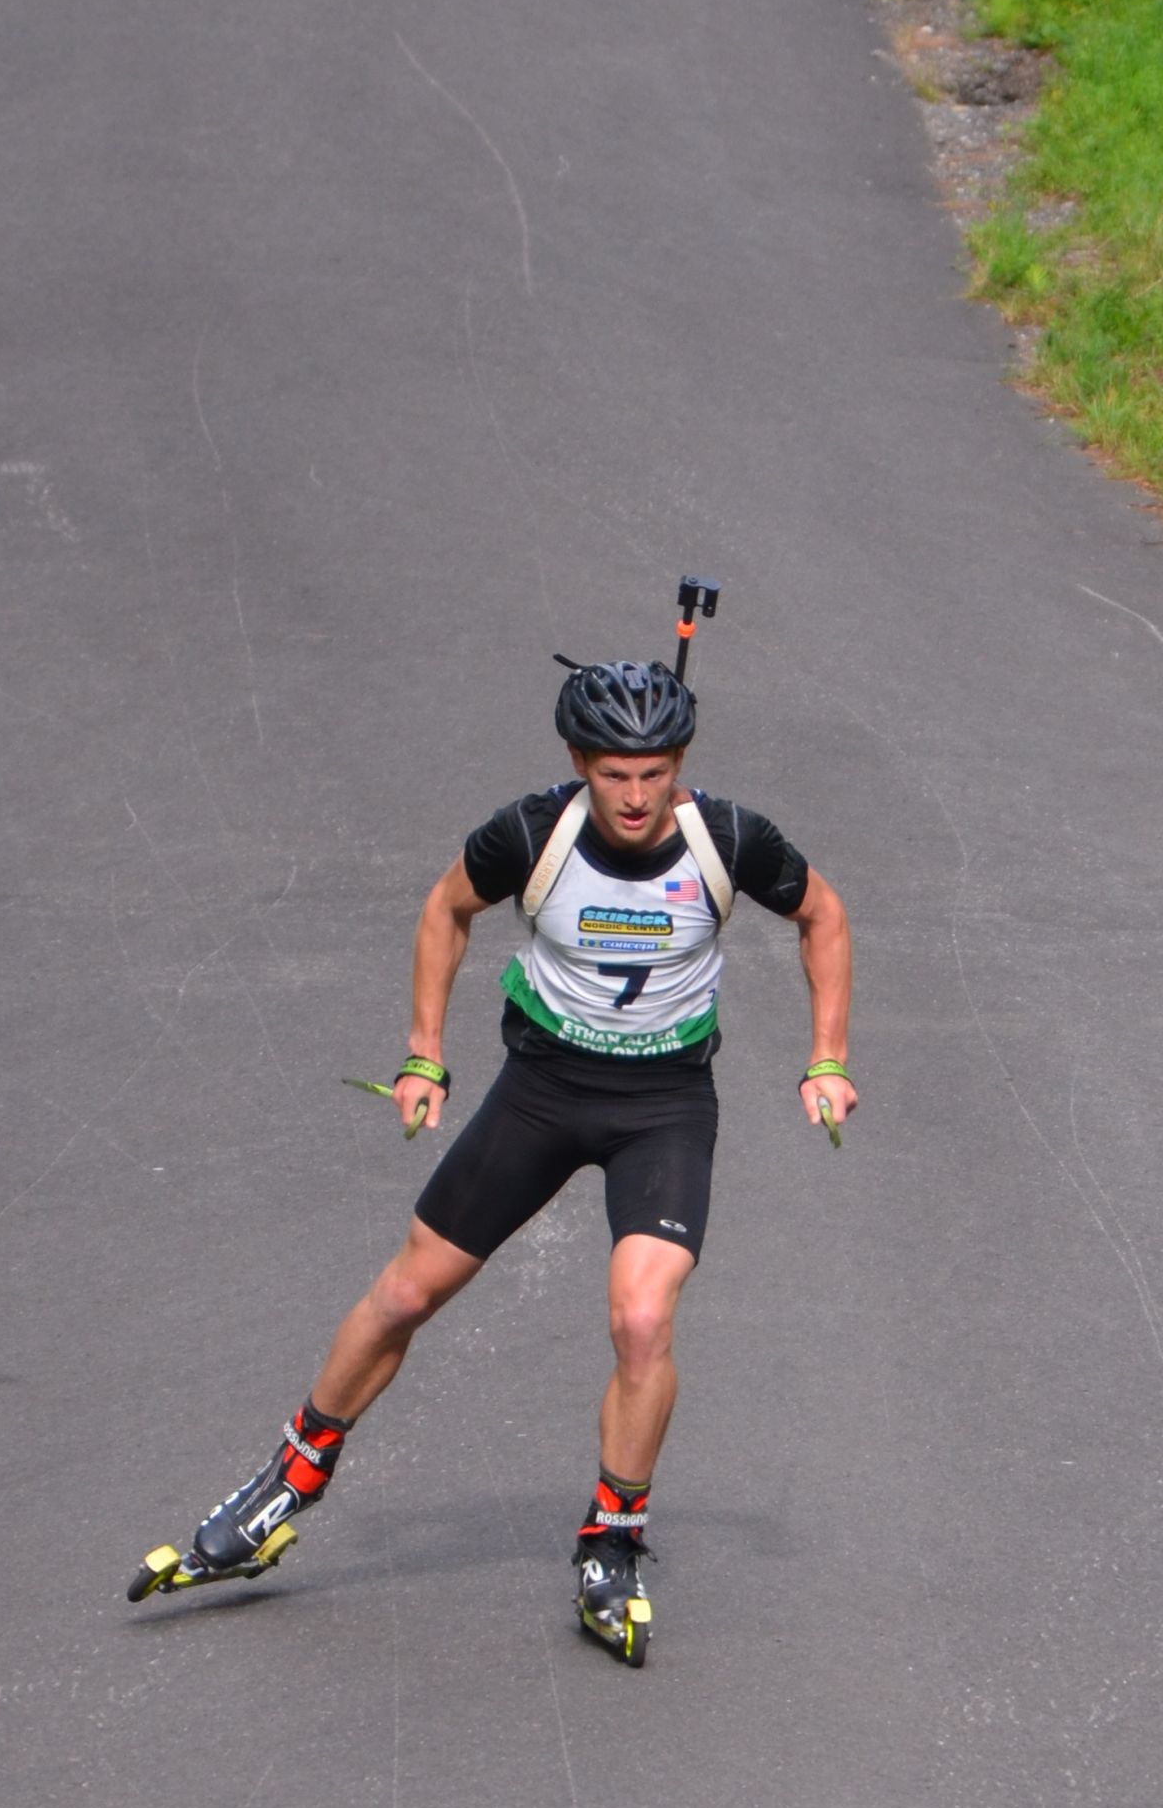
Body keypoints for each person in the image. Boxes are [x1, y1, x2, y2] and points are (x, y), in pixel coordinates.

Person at [130, 652, 854, 1662]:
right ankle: (286, 1482)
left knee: (643, 1315)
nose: (636, 796)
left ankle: (611, 1540)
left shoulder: (728, 838)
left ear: (678, 765)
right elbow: (445, 912)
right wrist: (425, 1052)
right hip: (542, 1093)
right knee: (404, 1294)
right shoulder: (530, 831)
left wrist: (826, 1054)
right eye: (613, 774)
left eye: (654, 773)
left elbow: (822, 913)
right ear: (578, 762)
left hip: (663, 1106)